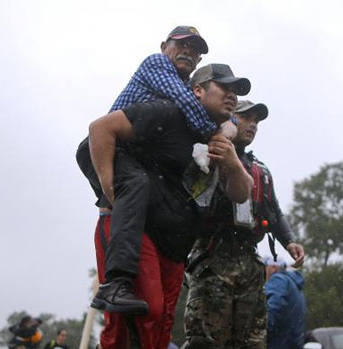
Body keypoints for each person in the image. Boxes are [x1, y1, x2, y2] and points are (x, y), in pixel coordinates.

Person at [76, 64, 253, 349]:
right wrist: (110, 189)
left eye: (237, 90)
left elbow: (240, 193)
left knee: (155, 343)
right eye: (225, 87)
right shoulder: (165, 112)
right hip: (135, 231)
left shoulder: (223, 140)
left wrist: (232, 159)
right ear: (198, 91)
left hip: (176, 245)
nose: (233, 95)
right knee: (145, 315)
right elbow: (100, 130)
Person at [157, 100, 306, 349]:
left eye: (257, 120)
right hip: (211, 255)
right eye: (246, 117)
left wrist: (290, 241)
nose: (252, 124)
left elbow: (274, 211)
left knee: (252, 347)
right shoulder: (208, 155)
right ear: (229, 119)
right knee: (207, 340)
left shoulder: (262, 170)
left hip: (249, 261)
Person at [78, 26, 238, 315]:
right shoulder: (157, 63)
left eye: (197, 49)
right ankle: (115, 285)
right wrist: (109, 189)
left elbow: (220, 114)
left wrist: (231, 125)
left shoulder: (187, 85)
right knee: (136, 184)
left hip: (134, 156)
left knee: (145, 188)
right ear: (165, 45)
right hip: (106, 146)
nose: (190, 52)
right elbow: (193, 107)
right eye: (183, 44)